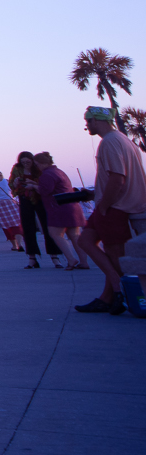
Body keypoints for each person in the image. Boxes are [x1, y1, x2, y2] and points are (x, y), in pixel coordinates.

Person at [77, 108, 146, 315]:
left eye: (87, 121)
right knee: (85, 241)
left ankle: (117, 293)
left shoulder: (108, 142)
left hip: (116, 207)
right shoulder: (125, 140)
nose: (86, 125)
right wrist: (95, 194)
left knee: (115, 255)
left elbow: (118, 178)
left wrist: (105, 205)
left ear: (96, 120)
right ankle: (109, 294)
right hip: (115, 204)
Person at [35, 151, 89, 269]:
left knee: (55, 234)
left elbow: (45, 191)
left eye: (37, 164)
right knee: (74, 235)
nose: (37, 167)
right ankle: (84, 262)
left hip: (58, 208)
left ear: (41, 163)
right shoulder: (59, 172)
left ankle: (71, 259)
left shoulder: (47, 174)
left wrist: (34, 186)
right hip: (72, 207)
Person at [11, 153, 64, 268]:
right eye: (23, 162)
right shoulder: (17, 169)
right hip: (25, 198)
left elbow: (45, 184)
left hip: (40, 199)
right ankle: (32, 257)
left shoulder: (38, 169)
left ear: (32, 161)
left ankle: (54, 256)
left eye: (28, 162)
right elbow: (11, 185)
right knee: (28, 228)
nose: (26, 164)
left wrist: (33, 184)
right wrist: (15, 183)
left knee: (47, 227)